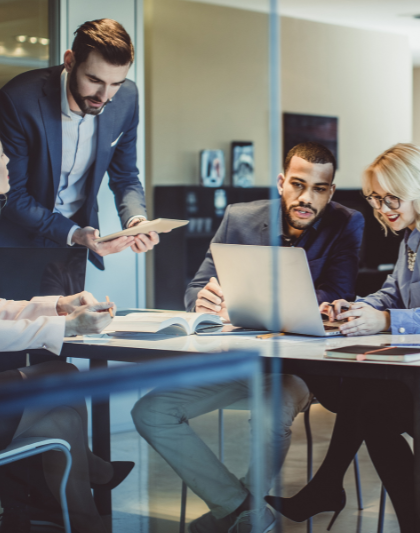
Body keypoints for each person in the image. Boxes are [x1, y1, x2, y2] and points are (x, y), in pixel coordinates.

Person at [265, 143, 420, 532]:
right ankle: (338, 492)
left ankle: (390, 513)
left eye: (391, 198)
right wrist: (352, 307)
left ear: (419, 189)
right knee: (365, 397)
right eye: (374, 199)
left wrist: (384, 320)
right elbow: (392, 292)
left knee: (372, 409)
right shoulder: (414, 236)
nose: (382, 209)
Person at [131, 142, 364, 533]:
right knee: (151, 412)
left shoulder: (346, 222)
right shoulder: (239, 218)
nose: (306, 198)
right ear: (280, 182)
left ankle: (242, 511)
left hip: (298, 369)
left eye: (319, 189)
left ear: (331, 191)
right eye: (297, 184)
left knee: (273, 415)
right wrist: (202, 300)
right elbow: (197, 287)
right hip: (236, 361)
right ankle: (243, 507)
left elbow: (337, 293)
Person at [0, 116, 133, 533]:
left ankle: (86, 516)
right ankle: (93, 487)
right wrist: (67, 329)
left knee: (63, 414)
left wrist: (59, 307)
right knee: (65, 381)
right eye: (0, 154)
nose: (9, 159)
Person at [0, 18, 157, 272]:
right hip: (18, 240)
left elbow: (125, 175)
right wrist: (74, 233)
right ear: (70, 61)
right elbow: (11, 192)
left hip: (76, 246)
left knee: (74, 311)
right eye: (94, 80)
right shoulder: (18, 99)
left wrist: (137, 220)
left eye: (116, 84)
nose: (104, 96)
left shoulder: (126, 100)